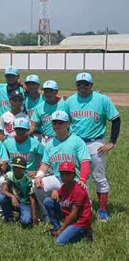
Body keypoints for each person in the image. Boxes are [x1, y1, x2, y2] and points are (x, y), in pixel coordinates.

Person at [66, 72, 121, 222]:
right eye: (79, 84)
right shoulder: (70, 100)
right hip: (76, 142)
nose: (82, 86)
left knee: (98, 176)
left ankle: (102, 209)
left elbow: (116, 119)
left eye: (85, 84)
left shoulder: (102, 99)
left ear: (91, 85)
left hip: (96, 142)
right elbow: (63, 120)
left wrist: (112, 142)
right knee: (78, 177)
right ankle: (84, 206)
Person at [33, 111, 91, 221]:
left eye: (60, 123)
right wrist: (38, 176)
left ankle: (65, 209)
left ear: (68, 124)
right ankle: (46, 214)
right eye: (55, 123)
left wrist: (82, 179)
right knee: (35, 185)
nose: (57, 125)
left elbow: (85, 162)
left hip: (76, 181)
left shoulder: (77, 141)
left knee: (83, 214)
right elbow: (45, 164)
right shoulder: (50, 144)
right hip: (58, 179)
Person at [44, 161, 93, 245]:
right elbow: (55, 196)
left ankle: (85, 233)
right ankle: (57, 228)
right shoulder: (65, 187)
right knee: (48, 201)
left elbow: (74, 215)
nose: (64, 177)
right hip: (68, 217)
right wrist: (55, 191)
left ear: (74, 175)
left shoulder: (78, 190)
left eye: (67, 174)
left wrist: (62, 229)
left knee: (59, 242)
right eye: (62, 174)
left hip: (79, 222)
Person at [0, 157, 38, 228]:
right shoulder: (9, 175)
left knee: (26, 222)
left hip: (24, 203)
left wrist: (34, 218)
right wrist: (12, 196)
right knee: (1, 198)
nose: (16, 170)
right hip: (13, 200)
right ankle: (9, 218)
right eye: (14, 167)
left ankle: (23, 214)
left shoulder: (27, 180)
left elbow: (32, 199)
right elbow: (3, 190)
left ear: (24, 169)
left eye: (19, 168)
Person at [29, 80, 69, 145]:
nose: (48, 94)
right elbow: (33, 125)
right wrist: (23, 135)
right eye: (46, 91)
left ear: (56, 92)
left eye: (50, 91)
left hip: (63, 139)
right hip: (46, 140)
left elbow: (71, 121)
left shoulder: (65, 104)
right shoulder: (39, 107)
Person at [24, 74, 44, 142]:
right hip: (30, 134)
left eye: (33, 84)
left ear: (38, 85)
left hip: (43, 134)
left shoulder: (44, 98)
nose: (31, 86)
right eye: (28, 84)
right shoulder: (25, 99)